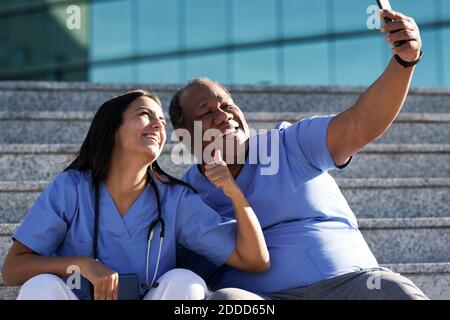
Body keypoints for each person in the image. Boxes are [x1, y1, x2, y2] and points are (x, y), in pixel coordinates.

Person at [169, 9, 428, 300]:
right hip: (266, 299)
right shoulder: (184, 197)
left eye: (227, 106)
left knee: (395, 290)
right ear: (183, 137)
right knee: (227, 301)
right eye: (206, 112)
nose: (223, 116)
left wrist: (404, 62)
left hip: (352, 283)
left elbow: (358, 124)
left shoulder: (288, 142)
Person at [1, 89, 270, 300]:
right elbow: (13, 269)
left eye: (162, 121)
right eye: (146, 114)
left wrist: (233, 193)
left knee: (185, 281)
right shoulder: (71, 188)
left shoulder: (175, 199)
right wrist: (82, 265)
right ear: (113, 128)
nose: (157, 126)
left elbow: (254, 260)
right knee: (41, 286)